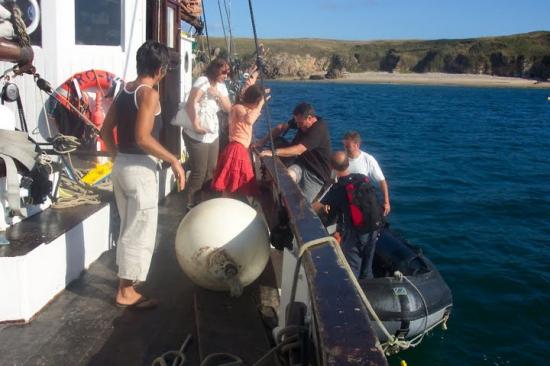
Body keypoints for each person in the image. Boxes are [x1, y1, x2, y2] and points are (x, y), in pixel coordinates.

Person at [100, 40, 186, 308]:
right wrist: (174, 160)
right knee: (138, 230)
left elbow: (105, 131)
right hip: (139, 170)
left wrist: (117, 157)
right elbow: (142, 137)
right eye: (167, 69)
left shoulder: (124, 90)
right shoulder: (149, 94)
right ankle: (125, 291)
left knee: (129, 225)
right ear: (160, 69)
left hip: (122, 166)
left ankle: (127, 283)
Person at [313, 151, 381, 279]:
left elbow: (315, 207)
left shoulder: (339, 188)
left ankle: (354, 295)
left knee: (352, 268)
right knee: (367, 266)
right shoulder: (361, 178)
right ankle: (368, 287)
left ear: (332, 167)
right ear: (348, 164)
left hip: (357, 232)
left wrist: (321, 205)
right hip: (374, 227)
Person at [183, 57, 232, 208]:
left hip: (212, 133)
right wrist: (196, 125)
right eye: (224, 72)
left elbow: (228, 108)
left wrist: (217, 94)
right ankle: (190, 204)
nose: (226, 75)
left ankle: (203, 202)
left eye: (228, 72)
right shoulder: (202, 81)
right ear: (215, 69)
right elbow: (190, 104)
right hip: (196, 133)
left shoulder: (221, 87)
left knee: (211, 170)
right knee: (199, 171)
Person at [259, 103, 332, 203]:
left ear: (310, 118)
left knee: (301, 204)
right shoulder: (300, 120)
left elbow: (299, 149)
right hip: (301, 165)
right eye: (297, 122)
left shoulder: (319, 130)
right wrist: (261, 142)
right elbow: (281, 127)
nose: (297, 126)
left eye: (300, 123)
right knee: (287, 176)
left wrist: (273, 152)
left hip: (316, 175)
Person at [211, 84, 265, 198]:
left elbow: (251, 116)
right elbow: (249, 120)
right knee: (231, 183)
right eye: (256, 102)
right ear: (254, 100)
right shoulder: (238, 108)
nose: (256, 106)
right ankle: (226, 204)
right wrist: (261, 104)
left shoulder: (245, 109)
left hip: (240, 149)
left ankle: (230, 204)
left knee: (237, 182)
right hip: (236, 148)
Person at [343, 131, 391, 216]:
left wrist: (386, 202)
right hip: (344, 200)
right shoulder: (341, 159)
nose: (345, 148)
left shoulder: (368, 159)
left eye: (347, 146)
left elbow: (381, 180)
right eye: (344, 145)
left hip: (362, 202)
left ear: (357, 145)